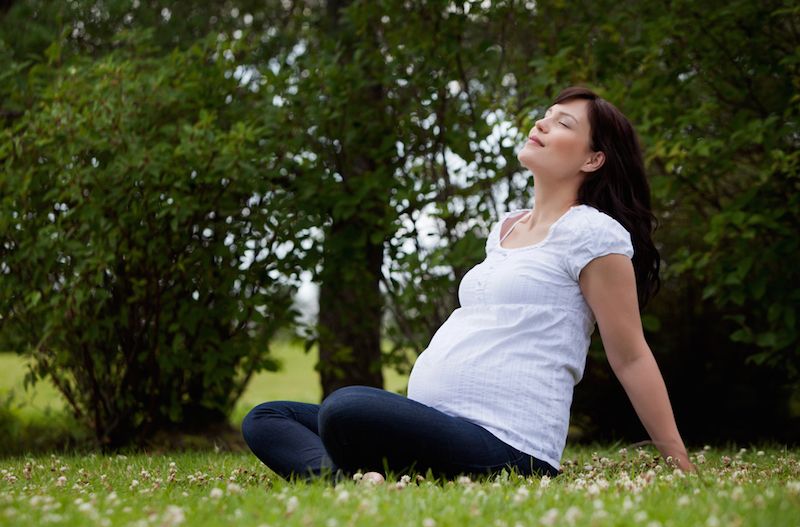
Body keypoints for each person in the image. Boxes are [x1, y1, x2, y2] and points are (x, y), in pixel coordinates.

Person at [241, 86, 696, 482]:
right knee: (267, 417)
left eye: (562, 123)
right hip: (438, 425)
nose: (541, 122)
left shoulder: (594, 234)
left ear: (593, 158)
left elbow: (631, 355)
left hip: (508, 446)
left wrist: (679, 463)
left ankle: (355, 471)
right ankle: (355, 483)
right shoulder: (506, 228)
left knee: (345, 408)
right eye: (545, 114)